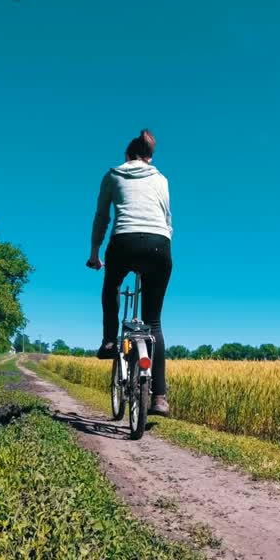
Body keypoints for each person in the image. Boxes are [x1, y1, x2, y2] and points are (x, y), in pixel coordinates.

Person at [87, 129, 173, 416]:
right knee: (154, 323)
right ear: (149, 157)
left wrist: (95, 254)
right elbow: (167, 219)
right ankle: (159, 397)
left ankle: (110, 340)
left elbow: (102, 217)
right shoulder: (161, 179)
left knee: (110, 284)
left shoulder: (112, 175)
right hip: (159, 245)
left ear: (127, 155)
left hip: (123, 242)